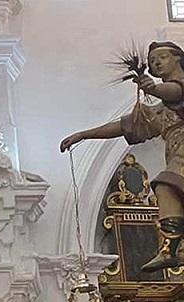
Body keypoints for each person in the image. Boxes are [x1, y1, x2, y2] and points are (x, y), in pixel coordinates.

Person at [61, 42, 184, 271]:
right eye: (153, 59)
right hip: (177, 155)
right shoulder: (162, 111)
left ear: (178, 59)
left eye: (162, 57)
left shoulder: (175, 91)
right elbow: (123, 126)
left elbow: (175, 91)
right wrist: (83, 135)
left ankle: (169, 249)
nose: (156, 62)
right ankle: (169, 248)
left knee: (166, 185)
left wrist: (154, 89)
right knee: (167, 190)